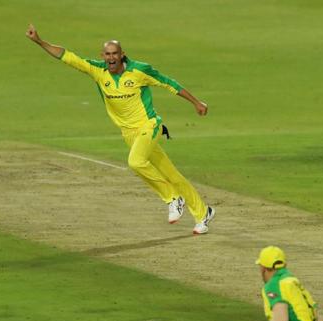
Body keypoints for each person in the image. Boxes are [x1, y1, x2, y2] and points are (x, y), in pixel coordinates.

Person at [25, 24, 215, 234]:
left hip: (149, 126)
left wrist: (197, 102)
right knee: (171, 174)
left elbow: (169, 83)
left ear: (122, 54)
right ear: (103, 56)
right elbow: (67, 56)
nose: (111, 57)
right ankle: (203, 213)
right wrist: (40, 41)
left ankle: (172, 198)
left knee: (135, 162)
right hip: (129, 134)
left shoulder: (140, 71)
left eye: (115, 53)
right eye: (107, 54)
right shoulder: (98, 71)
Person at [255, 246, 323, 321]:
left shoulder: (274, 284)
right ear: (284, 265)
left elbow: (281, 319)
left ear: (263, 268)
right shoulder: (296, 285)